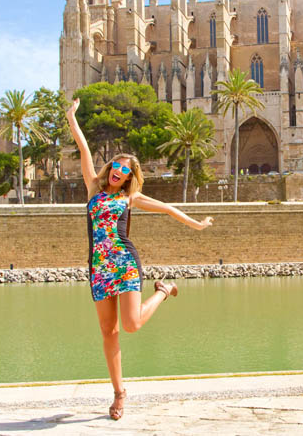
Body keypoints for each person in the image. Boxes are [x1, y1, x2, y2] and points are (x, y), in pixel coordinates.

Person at [66, 98, 213, 420]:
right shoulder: (94, 188)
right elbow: (83, 148)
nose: (118, 171)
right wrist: (71, 117)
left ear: (131, 176)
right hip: (98, 267)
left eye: (125, 169)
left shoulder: (130, 197)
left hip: (125, 261)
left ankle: (162, 290)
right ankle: (119, 393)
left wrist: (197, 224)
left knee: (130, 326)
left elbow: (168, 209)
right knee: (108, 331)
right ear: (109, 169)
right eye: (116, 166)